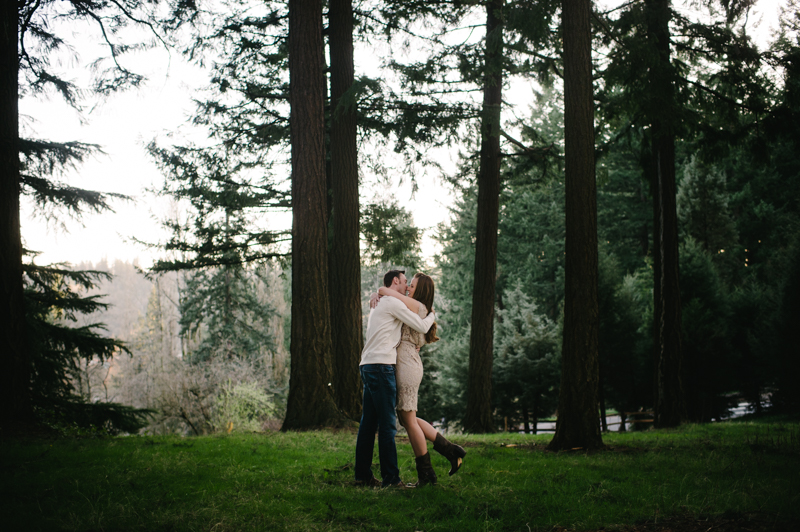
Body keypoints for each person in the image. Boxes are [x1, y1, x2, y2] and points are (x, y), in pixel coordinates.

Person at [373, 273, 466, 487]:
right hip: (409, 363)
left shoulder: (417, 305)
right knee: (409, 419)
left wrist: (378, 291)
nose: (408, 289)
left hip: (406, 366)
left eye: (412, 286)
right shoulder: (421, 308)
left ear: (420, 290)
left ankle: (427, 474)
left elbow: (385, 291)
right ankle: (451, 451)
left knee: (409, 421)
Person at [354, 270, 437, 488]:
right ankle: (391, 480)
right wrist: (432, 315)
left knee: (368, 424)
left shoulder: (382, 302)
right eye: (404, 282)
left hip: (368, 364)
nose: (407, 286)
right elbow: (421, 325)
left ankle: (362, 476)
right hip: (381, 367)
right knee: (388, 426)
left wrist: (378, 291)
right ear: (395, 281)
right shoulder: (392, 302)